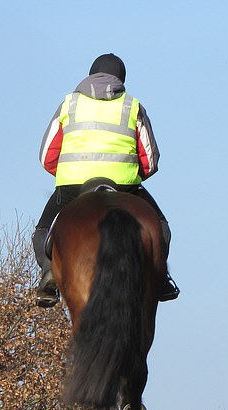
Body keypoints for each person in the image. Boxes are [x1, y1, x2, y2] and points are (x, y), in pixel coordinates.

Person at [32, 53, 179, 307]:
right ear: (121, 79)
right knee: (161, 227)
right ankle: (161, 277)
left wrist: (70, 171)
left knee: (43, 231)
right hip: (124, 186)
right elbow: (150, 160)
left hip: (72, 186)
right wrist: (133, 174)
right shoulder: (132, 106)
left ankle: (48, 274)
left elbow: (47, 155)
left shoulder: (69, 104)